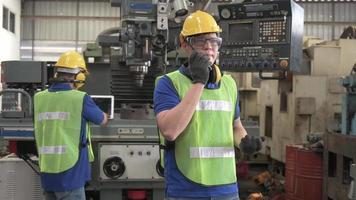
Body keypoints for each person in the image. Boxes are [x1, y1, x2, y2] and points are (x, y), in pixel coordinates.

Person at [153, 10, 261, 200]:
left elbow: (235, 126)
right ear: (185, 45)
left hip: (226, 188)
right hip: (186, 189)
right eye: (200, 41)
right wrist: (199, 82)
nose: (209, 47)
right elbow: (170, 130)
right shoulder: (168, 83)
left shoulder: (229, 84)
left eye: (214, 42)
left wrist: (244, 142)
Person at [34, 51, 108, 200]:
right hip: (70, 175)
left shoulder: (39, 97)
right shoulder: (80, 98)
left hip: (47, 173)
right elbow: (102, 120)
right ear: (78, 75)